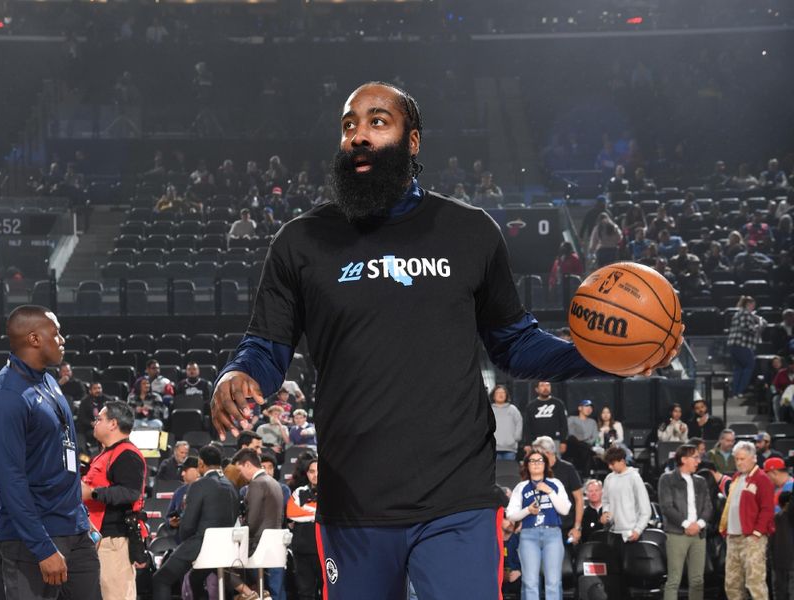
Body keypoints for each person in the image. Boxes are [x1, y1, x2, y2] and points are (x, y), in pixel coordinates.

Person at [210, 82, 679, 598]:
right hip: (354, 502)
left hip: (457, 498)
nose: (358, 136)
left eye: (377, 121)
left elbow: (514, 343)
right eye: (349, 125)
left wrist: (601, 357)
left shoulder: (469, 231)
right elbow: (267, 344)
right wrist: (239, 372)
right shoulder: (302, 240)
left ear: (413, 141)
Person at [0, 305, 101, 599]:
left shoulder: (50, 382)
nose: (62, 340)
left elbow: (60, 462)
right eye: (56, 333)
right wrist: (42, 548)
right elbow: (9, 480)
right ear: (34, 339)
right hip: (33, 540)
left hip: (74, 530)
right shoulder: (6, 396)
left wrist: (82, 519)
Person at [152, 445, 240, 600]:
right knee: (195, 579)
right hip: (226, 546)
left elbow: (187, 525)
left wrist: (184, 538)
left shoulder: (199, 485)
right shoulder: (231, 485)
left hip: (201, 544)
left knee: (161, 579)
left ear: (201, 463)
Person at [81, 401, 147, 600]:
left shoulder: (126, 454)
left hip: (114, 540)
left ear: (113, 424)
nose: (95, 423)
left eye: (99, 419)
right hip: (99, 539)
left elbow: (130, 493)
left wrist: (92, 493)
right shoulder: (106, 454)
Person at [506, 450, 571, 600]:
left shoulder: (555, 483)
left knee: (553, 581)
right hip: (529, 535)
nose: (536, 464)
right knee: (530, 582)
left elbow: (565, 509)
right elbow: (510, 514)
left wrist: (549, 492)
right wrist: (527, 510)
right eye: (532, 461)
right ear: (527, 466)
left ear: (545, 464)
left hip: (552, 534)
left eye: (539, 460)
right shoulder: (521, 487)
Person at [719, 440, 776, 600]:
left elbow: (767, 509)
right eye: (737, 459)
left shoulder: (762, 479)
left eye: (742, 459)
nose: (739, 462)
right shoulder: (737, 477)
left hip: (752, 538)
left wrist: (757, 533)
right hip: (733, 537)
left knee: (755, 582)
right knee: (732, 584)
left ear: (753, 458)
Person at [658, 444, 713, 600]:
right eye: (695, 457)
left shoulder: (701, 481)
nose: (698, 461)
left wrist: (699, 525)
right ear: (683, 459)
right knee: (674, 579)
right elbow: (667, 507)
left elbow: (708, 507)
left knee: (697, 580)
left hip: (699, 535)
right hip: (677, 534)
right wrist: (687, 525)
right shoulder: (667, 479)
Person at [232, 448, 284, 600]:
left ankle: (251, 595)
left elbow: (251, 522)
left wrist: (239, 540)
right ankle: (260, 595)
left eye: (240, 470)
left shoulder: (256, 484)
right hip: (274, 546)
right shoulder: (273, 482)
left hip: (257, 547)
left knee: (225, 566)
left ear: (247, 465)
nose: (240, 474)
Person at [532, 437, 584, 545]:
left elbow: (579, 499)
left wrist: (577, 527)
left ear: (548, 453)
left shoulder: (568, 469)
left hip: (565, 528)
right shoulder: (535, 471)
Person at [601, 446, 651, 545]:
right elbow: (606, 501)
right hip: (613, 533)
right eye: (608, 464)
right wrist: (605, 512)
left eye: (612, 464)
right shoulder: (609, 479)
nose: (610, 467)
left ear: (622, 461)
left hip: (631, 533)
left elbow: (645, 508)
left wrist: (638, 529)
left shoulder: (634, 477)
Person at [287, 458, 320, 600]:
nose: (315, 475)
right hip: (302, 550)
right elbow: (292, 513)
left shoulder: (332, 493)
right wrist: (315, 513)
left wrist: (304, 510)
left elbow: (328, 513)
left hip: (323, 549)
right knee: (305, 592)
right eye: (311, 471)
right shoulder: (299, 491)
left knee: (327, 590)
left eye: (319, 471)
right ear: (307, 474)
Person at [727, 296, 767, 401]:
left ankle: (735, 393)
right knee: (750, 365)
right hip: (741, 345)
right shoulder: (745, 314)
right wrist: (760, 325)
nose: (753, 307)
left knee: (739, 368)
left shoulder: (738, 314)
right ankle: (740, 391)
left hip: (733, 345)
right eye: (752, 305)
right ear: (748, 304)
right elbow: (749, 329)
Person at [522, 381, 569, 451]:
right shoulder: (531, 406)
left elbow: (564, 424)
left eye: (548, 385)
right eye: (542, 385)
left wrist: (563, 441)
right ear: (537, 389)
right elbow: (527, 426)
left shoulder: (558, 404)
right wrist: (527, 443)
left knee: (554, 461)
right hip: (536, 441)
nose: (545, 388)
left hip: (555, 440)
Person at [165, 457, 200, 543]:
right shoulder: (179, 492)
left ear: (197, 470)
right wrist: (171, 522)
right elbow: (168, 516)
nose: (182, 474)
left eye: (185, 470)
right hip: (182, 540)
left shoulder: (207, 489)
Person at [771, 491, 794, 600]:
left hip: (777, 563)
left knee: (779, 591)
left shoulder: (774, 519)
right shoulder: (784, 518)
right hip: (789, 563)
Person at [491, 385, 523, 461]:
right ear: (493, 396)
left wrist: (516, 437)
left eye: (503, 392)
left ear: (506, 395)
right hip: (493, 448)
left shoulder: (513, 409)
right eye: (498, 392)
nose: (501, 394)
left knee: (509, 471)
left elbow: (519, 423)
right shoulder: (489, 410)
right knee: (496, 472)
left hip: (510, 448)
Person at [580, 479, 604, 543]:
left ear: (602, 492)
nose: (594, 493)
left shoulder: (608, 510)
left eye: (596, 490)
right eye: (590, 491)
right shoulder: (583, 514)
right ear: (586, 494)